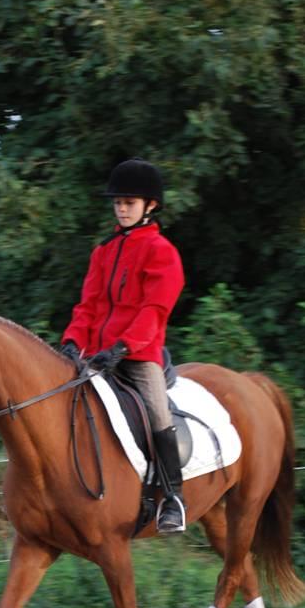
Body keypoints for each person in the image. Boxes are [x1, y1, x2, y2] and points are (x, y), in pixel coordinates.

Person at [61, 157, 186, 533]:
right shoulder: (104, 251)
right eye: (118, 202)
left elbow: (155, 309)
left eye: (129, 203)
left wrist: (122, 347)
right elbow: (88, 304)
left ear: (150, 206)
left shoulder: (161, 251)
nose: (122, 208)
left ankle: (174, 498)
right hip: (95, 356)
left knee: (157, 412)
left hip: (136, 355)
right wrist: (72, 341)